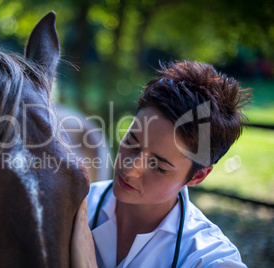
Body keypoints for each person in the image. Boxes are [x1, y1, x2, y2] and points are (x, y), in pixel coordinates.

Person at [70, 60, 250, 268]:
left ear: (197, 176)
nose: (130, 169)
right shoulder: (72, 204)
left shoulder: (210, 258)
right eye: (131, 142)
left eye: (158, 166)